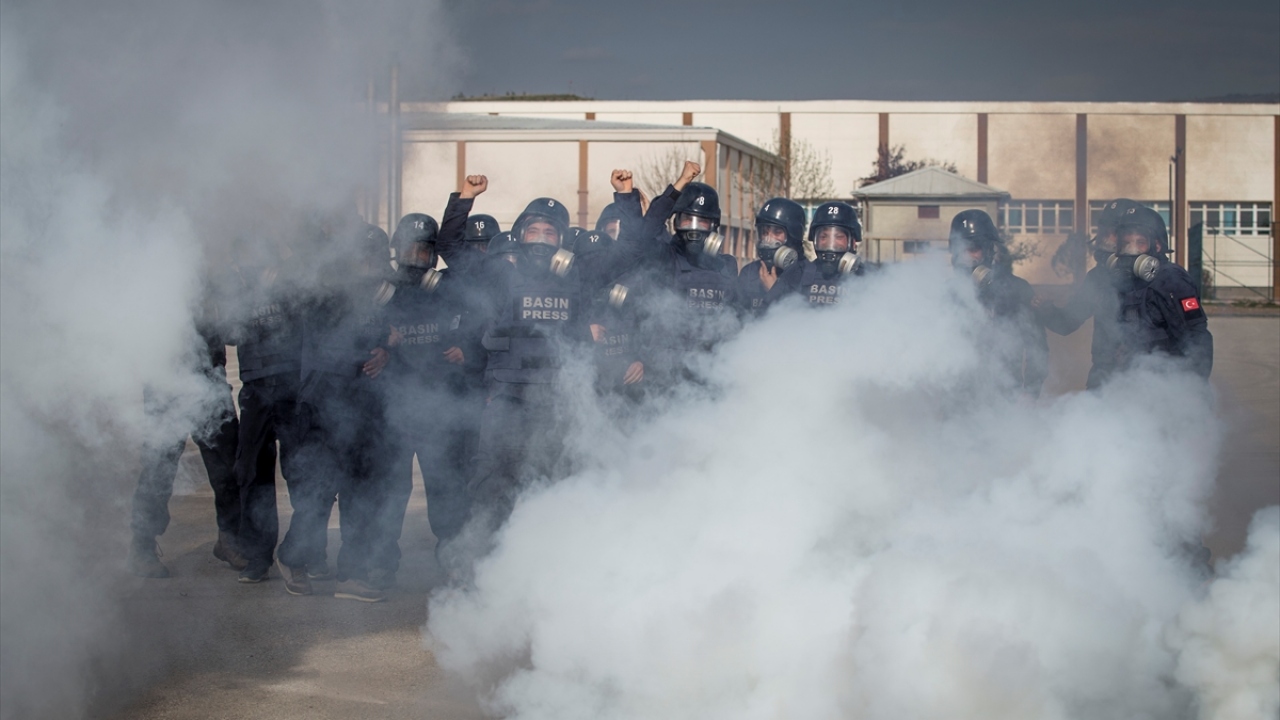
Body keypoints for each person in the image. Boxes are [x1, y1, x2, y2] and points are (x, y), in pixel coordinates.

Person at [434, 173, 651, 529]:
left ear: (563, 242)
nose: (541, 239)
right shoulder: (498, 273)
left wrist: (625, 196)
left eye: (550, 233)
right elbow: (451, 247)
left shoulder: (578, 273)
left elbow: (630, 251)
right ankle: (484, 566)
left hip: (558, 400)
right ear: (519, 235)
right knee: (493, 485)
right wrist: (466, 198)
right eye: (534, 231)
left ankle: (546, 564)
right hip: (506, 398)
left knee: (555, 482)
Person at [280, 215, 394, 602]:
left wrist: (385, 351)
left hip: (365, 407)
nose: (368, 266)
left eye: (374, 258)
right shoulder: (323, 291)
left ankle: (351, 574)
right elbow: (332, 341)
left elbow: (379, 338)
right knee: (319, 491)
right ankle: (293, 557)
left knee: (361, 493)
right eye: (361, 258)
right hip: (323, 404)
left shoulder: (380, 295)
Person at [372, 211, 480, 588]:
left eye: (424, 250)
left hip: (440, 406)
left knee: (446, 487)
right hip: (394, 408)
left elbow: (481, 320)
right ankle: (381, 562)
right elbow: (352, 331)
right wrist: (381, 344)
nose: (417, 257)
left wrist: (465, 349)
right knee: (389, 489)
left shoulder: (449, 288)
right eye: (410, 249)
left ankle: (452, 559)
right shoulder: (381, 292)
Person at [127, 305, 245, 578]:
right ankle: (142, 546)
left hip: (210, 380)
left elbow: (235, 333)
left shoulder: (214, 281)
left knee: (229, 465)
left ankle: (228, 537)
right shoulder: (157, 279)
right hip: (165, 384)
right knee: (158, 469)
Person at [226, 236, 307, 584]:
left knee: (302, 473)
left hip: (290, 387)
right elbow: (229, 332)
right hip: (256, 389)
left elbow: (310, 315)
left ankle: (303, 552)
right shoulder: (237, 289)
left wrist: (284, 281)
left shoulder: (291, 280)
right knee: (252, 474)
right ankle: (258, 557)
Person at [1034, 198, 1138, 389]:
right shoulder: (1098, 278)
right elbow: (1067, 322)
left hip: (1147, 377)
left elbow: (1191, 336)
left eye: (1114, 230)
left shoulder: (1159, 278)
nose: (1106, 236)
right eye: (1104, 228)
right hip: (1104, 376)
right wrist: (1047, 309)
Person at [949, 209, 1049, 397]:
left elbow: (1037, 348)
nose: (967, 257)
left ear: (988, 250)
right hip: (958, 401)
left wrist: (1030, 392)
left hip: (1005, 397)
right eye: (960, 249)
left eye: (973, 249)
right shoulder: (947, 295)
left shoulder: (1017, 289)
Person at [1108, 205, 1213, 377]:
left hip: (1170, 382)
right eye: (1125, 244)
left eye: (1139, 243)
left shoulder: (1171, 279)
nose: (1130, 251)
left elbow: (1197, 336)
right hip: (1137, 380)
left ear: (1156, 246)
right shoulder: (1127, 283)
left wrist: (1194, 386)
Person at [769, 200, 867, 307]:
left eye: (838, 237)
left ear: (852, 242)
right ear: (814, 240)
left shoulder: (867, 278)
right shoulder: (796, 275)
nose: (830, 244)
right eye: (823, 237)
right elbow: (765, 316)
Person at [737, 198, 806, 315]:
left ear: (794, 236)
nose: (768, 240)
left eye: (777, 232)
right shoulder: (749, 273)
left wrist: (774, 292)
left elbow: (806, 326)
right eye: (764, 232)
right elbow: (736, 320)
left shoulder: (809, 274)